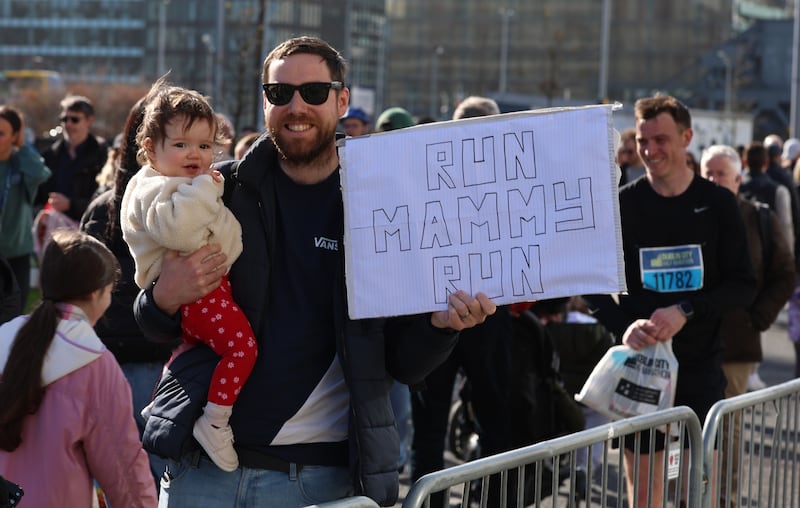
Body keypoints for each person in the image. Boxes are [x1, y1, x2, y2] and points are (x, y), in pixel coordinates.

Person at [134, 35, 494, 507]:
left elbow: (403, 363)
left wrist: (442, 327)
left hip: (314, 481)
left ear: (342, 100)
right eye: (280, 93)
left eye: (315, 92)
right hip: (199, 471)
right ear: (265, 101)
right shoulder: (215, 189)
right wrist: (162, 297)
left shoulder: (388, 205)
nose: (296, 106)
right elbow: (148, 320)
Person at [588, 95, 756, 508]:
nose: (649, 151)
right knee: (644, 493)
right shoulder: (624, 203)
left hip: (700, 368)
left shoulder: (717, 204)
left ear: (687, 138)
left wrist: (686, 310)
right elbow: (593, 284)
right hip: (641, 370)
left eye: (661, 140)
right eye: (643, 141)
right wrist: (622, 325)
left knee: (699, 491)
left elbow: (742, 284)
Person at [121, 79, 255, 473]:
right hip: (199, 295)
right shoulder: (152, 187)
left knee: (193, 354)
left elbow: (229, 235)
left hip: (208, 290)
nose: (194, 155)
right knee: (242, 349)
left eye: (203, 145)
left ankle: (163, 403)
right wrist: (204, 191)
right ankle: (215, 421)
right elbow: (180, 232)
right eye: (180, 145)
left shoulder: (186, 183)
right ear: (151, 149)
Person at [0, 230, 157, 507]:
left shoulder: (5, 337)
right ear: (96, 293)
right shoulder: (95, 364)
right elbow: (123, 468)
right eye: (109, 293)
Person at [410, 95, 513, 508]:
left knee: (432, 424)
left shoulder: (425, 174)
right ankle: (486, 500)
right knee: (492, 418)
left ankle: (427, 502)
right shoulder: (510, 178)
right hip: (478, 315)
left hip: (438, 315)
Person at [80, 96, 174, 486]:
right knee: (153, 480)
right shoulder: (183, 207)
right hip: (159, 363)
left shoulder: (103, 206)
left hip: (108, 362)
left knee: (109, 479)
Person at [700, 144, 795, 503]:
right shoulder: (689, 214)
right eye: (707, 173)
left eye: (720, 174)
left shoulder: (758, 219)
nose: (712, 180)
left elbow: (785, 274)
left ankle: (727, 498)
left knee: (729, 428)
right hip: (687, 343)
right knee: (683, 429)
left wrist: (758, 317)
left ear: (739, 179)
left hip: (736, 345)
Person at [0, 106, 51, 312]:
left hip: (16, 254)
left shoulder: (20, 164)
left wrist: (23, 146)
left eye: (1, 133)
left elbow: (41, 173)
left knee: (12, 318)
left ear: (14, 136)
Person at [38, 95, 108, 222]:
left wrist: (71, 205)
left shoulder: (102, 154)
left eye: (74, 119)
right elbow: (38, 196)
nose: (68, 124)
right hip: (52, 228)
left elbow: (106, 200)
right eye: (64, 119)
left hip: (87, 229)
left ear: (89, 120)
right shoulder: (50, 155)